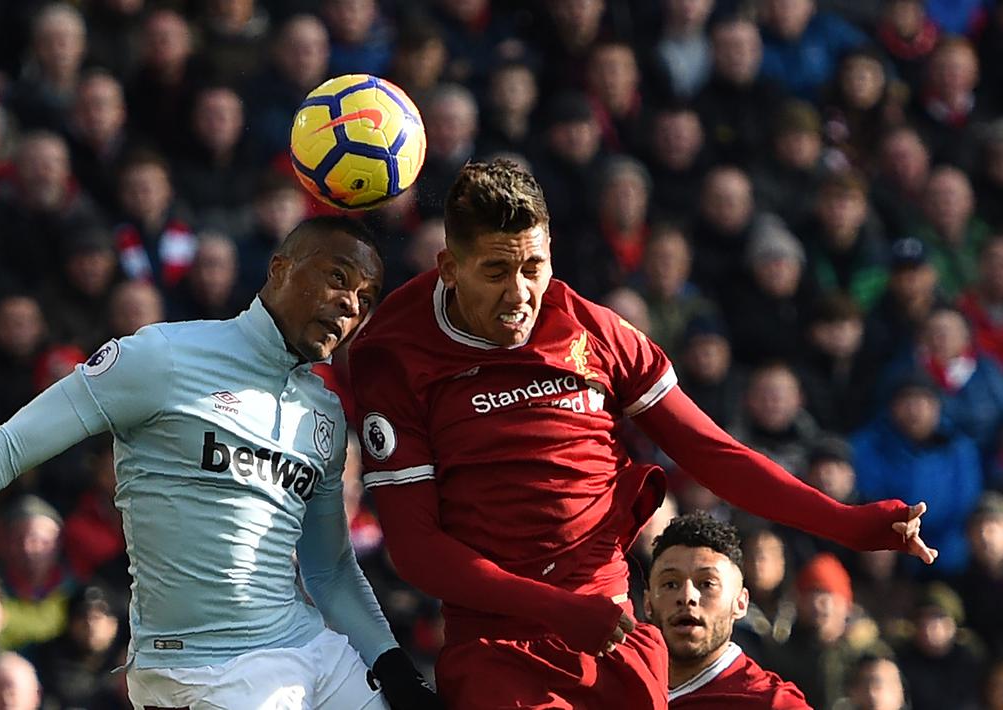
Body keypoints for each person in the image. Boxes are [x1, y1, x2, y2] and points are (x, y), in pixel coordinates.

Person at [0, 216, 440, 710]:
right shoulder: (162, 358)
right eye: (336, 278)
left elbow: (329, 570)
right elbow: (8, 448)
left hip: (308, 648)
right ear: (278, 269)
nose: (350, 305)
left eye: (365, 297)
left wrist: (395, 669)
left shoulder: (321, 415)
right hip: (201, 671)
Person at [348, 159, 936, 708]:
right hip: (499, 648)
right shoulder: (397, 355)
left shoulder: (593, 331)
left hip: (613, 632)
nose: (520, 294)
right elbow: (417, 550)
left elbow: (714, 455)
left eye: (534, 268)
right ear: (450, 267)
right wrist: (555, 609)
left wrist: (847, 523)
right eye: (496, 272)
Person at [645, 513, 809, 709]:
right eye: (670, 584)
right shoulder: (620, 687)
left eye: (707, 584)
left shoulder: (771, 703)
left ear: (740, 603)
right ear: (647, 603)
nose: (687, 596)